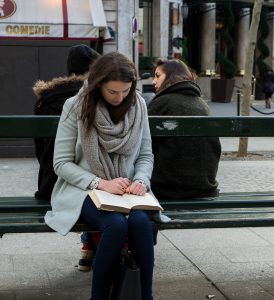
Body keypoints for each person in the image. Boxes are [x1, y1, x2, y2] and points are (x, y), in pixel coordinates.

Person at [44, 52, 155, 300]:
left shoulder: (139, 106)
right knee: (115, 225)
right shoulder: (75, 106)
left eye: (125, 90)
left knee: (140, 223)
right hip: (83, 188)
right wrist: (101, 183)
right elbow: (61, 163)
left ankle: (145, 296)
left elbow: (146, 155)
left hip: (126, 190)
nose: (120, 97)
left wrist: (140, 181)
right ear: (97, 86)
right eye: (112, 92)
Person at [33, 44, 100, 200]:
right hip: (92, 186)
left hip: (50, 185)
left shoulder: (46, 99)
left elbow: (40, 150)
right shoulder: (97, 96)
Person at [148, 58, 221, 199]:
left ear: (171, 76)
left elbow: (144, 148)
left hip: (167, 190)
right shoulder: (202, 104)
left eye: (157, 76)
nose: (153, 81)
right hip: (205, 188)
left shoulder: (160, 103)